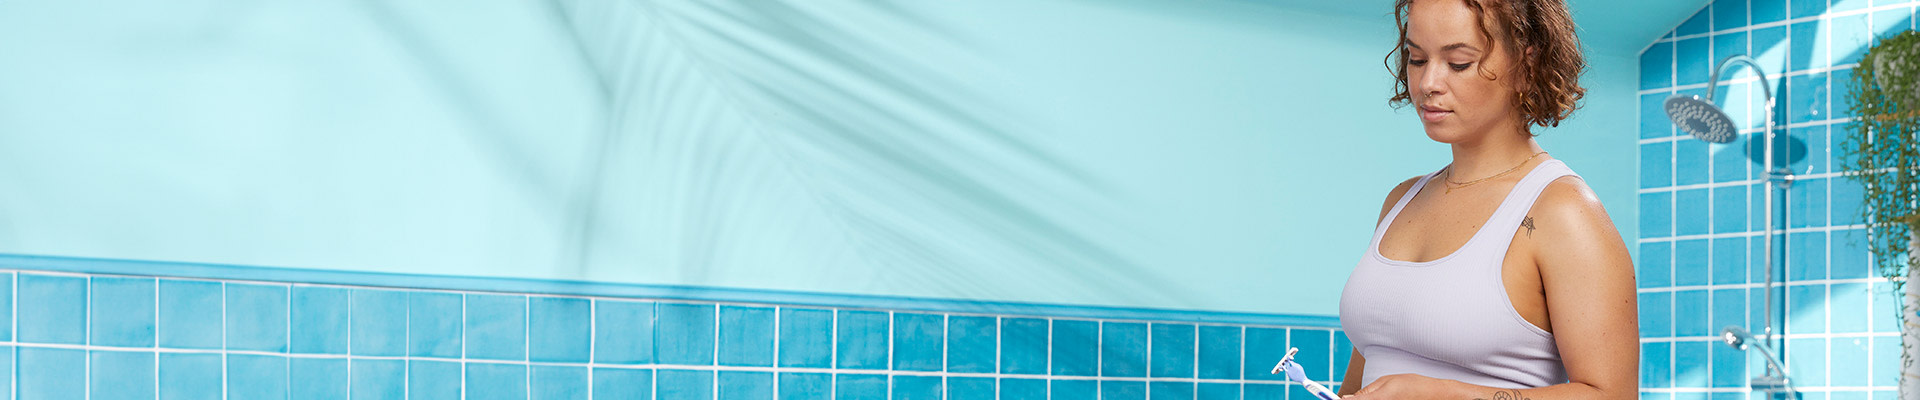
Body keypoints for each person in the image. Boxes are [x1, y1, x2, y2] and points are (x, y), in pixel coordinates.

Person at [1335, 0, 1638, 399]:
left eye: (1458, 62)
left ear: (1527, 64)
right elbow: (1367, 374)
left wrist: (1452, 395)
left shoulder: (1562, 211)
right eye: (1417, 58)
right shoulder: (1401, 201)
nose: (1428, 83)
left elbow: (1613, 395)